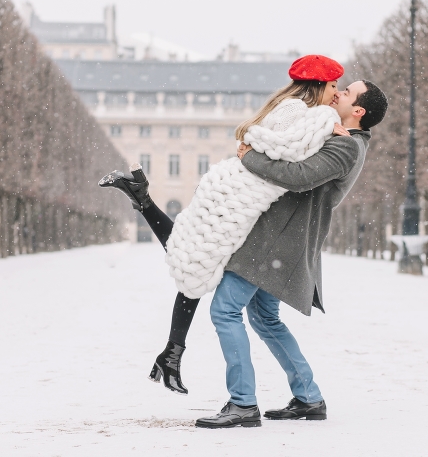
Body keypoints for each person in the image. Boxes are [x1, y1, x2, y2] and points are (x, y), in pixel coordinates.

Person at [99, 55, 348, 396]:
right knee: (197, 260)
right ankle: (141, 199)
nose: (336, 94)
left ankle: (171, 353)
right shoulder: (304, 112)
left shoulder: (289, 106)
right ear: (317, 86)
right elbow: (281, 148)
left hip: (236, 184)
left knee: (194, 254)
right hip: (242, 190)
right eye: (333, 86)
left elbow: (267, 142)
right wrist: (327, 128)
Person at [194, 79, 387, 429]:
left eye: (347, 92)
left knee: (224, 310)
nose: (338, 92)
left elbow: (299, 177)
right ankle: (308, 398)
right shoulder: (340, 135)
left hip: (276, 241)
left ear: (358, 110)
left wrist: (252, 158)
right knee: (265, 318)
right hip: (285, 240)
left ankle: (243, 404)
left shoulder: (346, 146)